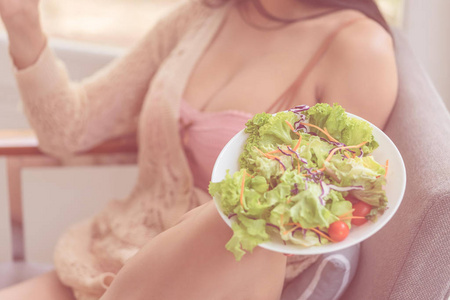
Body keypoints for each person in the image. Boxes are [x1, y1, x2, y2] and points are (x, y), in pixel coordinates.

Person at [0, 0, 397, 299]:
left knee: (243, 218)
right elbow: (70, 128)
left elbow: (321, 215)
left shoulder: (358, 49)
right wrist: (23, 23)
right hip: (101, 260)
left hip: (209, 279)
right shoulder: (203, 16)